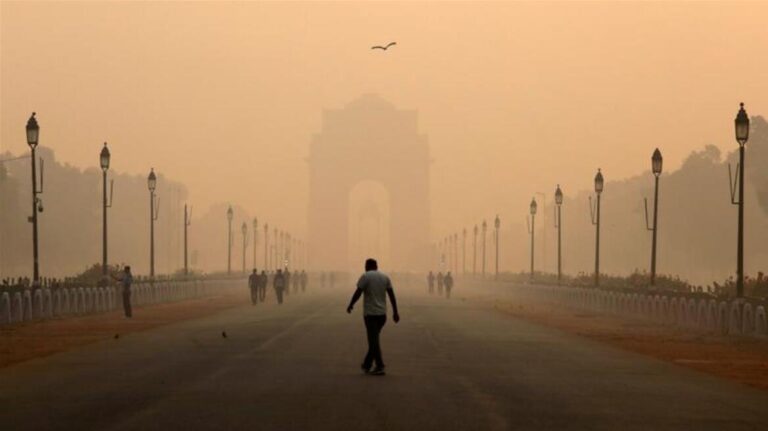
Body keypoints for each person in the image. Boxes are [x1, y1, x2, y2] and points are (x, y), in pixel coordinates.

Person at [346, 258, 400, 376]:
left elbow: (358, 292)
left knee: (373, 341)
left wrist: (351, 304)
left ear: (369, 266)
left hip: (370, 314)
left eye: (365, 265)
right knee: (374, 340)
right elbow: (392, 296)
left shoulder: (365, 276)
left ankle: (380, 366)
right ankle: (367, 364)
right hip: (382, 315)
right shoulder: (385, 277)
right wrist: (395, 312)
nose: (364, 267)